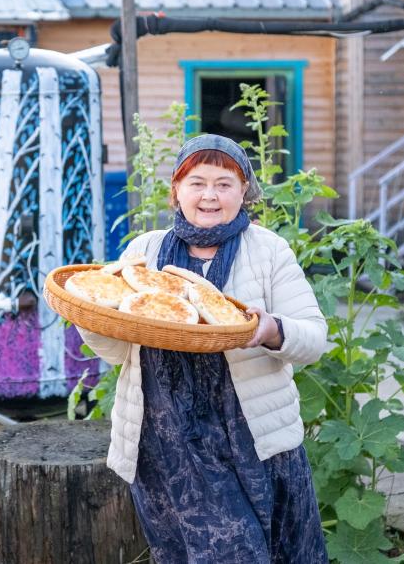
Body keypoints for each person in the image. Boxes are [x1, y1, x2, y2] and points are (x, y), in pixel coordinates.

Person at [79, 134, 329, 563]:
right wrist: (91, 317)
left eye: (224, 184)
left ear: (244, 191)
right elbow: (119, 351)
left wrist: (270, 329)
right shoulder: (144, 253)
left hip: (251, 440)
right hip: (167, 446)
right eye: (197, 183)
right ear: (176, 189)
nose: (209, 196)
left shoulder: (268, 251)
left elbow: (314, 337)